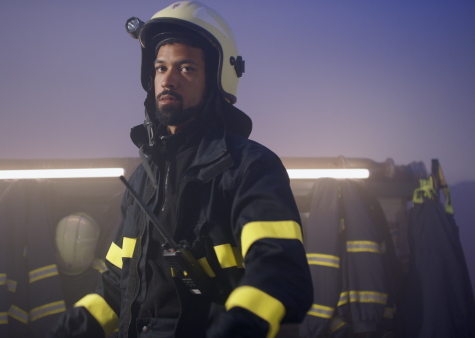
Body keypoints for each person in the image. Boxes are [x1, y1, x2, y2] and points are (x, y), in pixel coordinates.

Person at [50, 1, 313, 337]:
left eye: (186, 68)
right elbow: (117, 285)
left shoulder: (251, 167)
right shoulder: (143, 181)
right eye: (160, 68)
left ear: (217, 80)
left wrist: (239, 326)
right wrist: (73, 328)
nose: (168, 80)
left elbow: (279, 269)